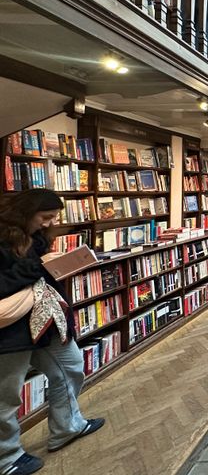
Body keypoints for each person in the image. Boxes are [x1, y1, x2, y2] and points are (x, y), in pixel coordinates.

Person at [0, 189, 104, 475]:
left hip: (45, 320)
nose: (49, 223)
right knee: (5, 396)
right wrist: (38, 266)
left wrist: (57, 263)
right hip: (10, 331)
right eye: (45, 217)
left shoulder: (36, 236)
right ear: (25, 212)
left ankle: (68, 427)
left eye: (53, 218)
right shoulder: (3, 238)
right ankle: (6, 459)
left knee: (70, 368)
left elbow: (37, 272)